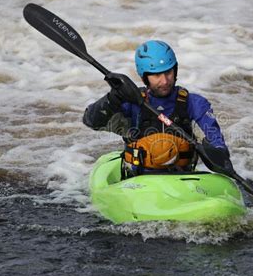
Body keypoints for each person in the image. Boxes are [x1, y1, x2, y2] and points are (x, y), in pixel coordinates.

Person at [83, 40, 230, 176]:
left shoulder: (194, 103)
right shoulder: (132, 101)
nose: (165, 81)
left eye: (168, 72)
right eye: (157, 75)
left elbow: (215, 138)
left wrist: (219, 154)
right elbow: (91, 121)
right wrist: (112, 99)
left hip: (181, 176)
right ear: (144, 77)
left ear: (175, 70)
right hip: (137, 178)